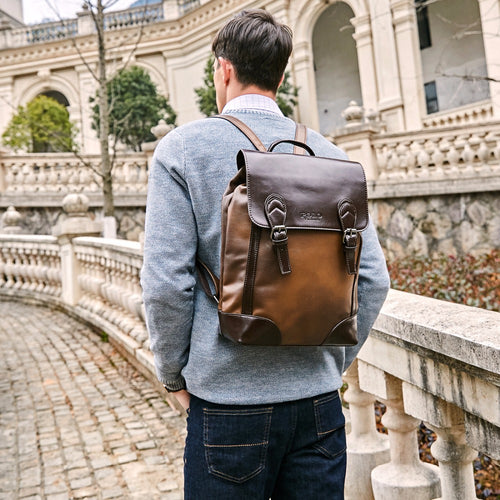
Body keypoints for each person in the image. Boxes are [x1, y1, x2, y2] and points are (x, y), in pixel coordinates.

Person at [141, 9, 390, 499]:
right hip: (318, 408)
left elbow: (167, 282)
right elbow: (374, 280)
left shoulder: (182, 150)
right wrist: (329, 362)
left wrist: (174, 374)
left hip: (227, 405)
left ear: (224, 68)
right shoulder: (333, 156)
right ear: (280, 75)